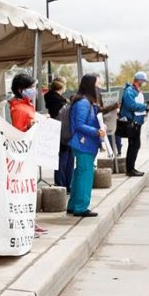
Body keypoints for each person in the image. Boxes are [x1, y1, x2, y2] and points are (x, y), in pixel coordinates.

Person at [8, 73, 48, 234]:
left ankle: (31, 221)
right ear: (20, 89)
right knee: (23, 192)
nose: (34, 90)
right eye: (31, 87)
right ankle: (25, 223)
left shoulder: (27, 104)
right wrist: (32, 126)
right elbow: (19, 134)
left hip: (30, 153)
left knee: (29, 192)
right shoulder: (18, 108)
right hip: (23, 156)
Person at [66, 74, 105, 217]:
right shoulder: (83, 103)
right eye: (97, 84)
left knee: (80, 174)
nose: (99, 87)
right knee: (85, 175)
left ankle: (73, 205)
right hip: (84, 143)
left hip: (84, 143)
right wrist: (97, 131)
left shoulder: (84, 101)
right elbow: (79, 124)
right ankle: (81, 207)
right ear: (91, 85)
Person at [45, 77, 74, 190]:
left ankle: (62, 184)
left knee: (62, 160)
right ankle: (65, 184)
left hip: (58, 131)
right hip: (64, 132)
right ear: (62, 86)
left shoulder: (50, 98)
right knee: (66, 160)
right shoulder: (60, 101)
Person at [118, 71, 149, 177]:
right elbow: (131, 105)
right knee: (133, 145)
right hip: (131, 122)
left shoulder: (135, 90)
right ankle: (130, 169)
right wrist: (144, 106)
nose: (144, 83)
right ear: (139, 80)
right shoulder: (129, 91)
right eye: (144, 81)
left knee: (135, 145)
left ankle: (131, 168)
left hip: (136, 122)